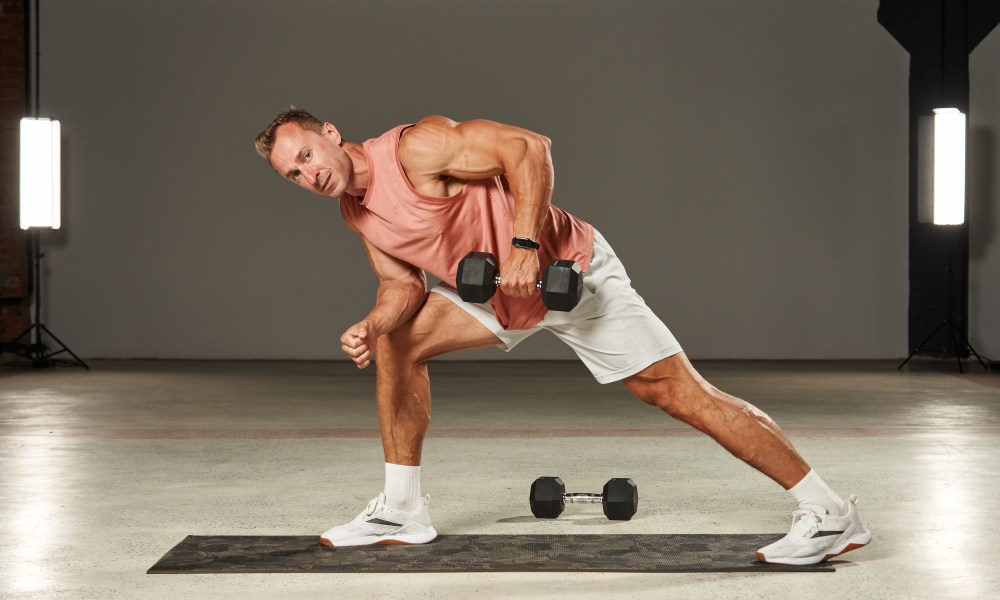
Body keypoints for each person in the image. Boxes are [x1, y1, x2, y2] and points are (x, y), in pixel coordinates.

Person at [253, 107, 871, 565]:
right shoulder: (355, 212)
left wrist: (524, 245)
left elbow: (529, 147)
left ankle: (831, 513)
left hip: (565, 274)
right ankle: (402, 508)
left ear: (329, 133)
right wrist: (372, 324)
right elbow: (402, 289)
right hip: (494, 295)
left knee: (678, 393)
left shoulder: (416, 149)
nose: (307, 175)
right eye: (292, 175)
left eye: (305, 155)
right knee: (398, 342)